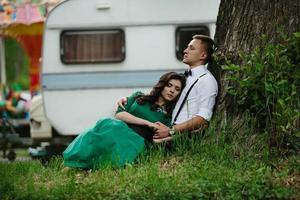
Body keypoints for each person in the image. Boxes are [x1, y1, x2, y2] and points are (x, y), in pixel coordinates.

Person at [63, 72, 186, 169]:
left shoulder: (169, 117)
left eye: (177, 89)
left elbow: (163, 138)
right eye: (169, 85)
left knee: (112, 129)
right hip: (119, 127)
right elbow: (120, 114)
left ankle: (88, 165)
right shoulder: (139, 97)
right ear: (162, 85)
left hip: (138, 140)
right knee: (106, 124)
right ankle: (77, 161)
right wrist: (147, 123)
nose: (172, 90)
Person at [119, 35, 218, 141]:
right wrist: (126, 99)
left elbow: (203, 118)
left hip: (181, 136)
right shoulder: (185, 77)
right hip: (166, 132)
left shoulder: (207, 81)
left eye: (191, 48)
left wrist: (171, 131)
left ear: (202, 55)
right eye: (187, 47)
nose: (185, 51)